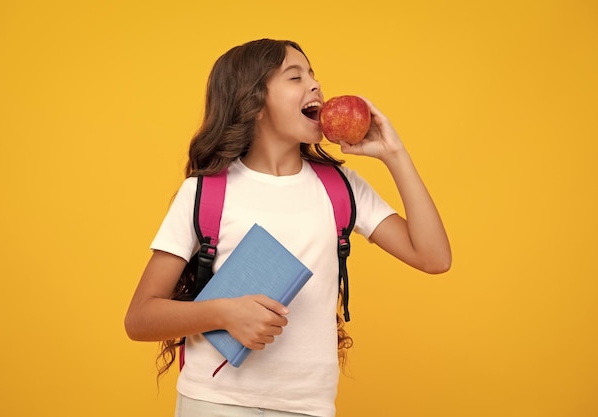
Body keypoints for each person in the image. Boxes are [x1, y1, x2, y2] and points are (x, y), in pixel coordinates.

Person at [124, 38, 451, 417]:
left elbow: (434, 258)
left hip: (308, 407)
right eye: (295, 77)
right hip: (214, 402)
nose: (315, 85)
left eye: (313, 74)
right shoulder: (204, 193)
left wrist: (395, 154)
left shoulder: (341, 188)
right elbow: (140, 318)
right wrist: (224, 314)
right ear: (254, 103)